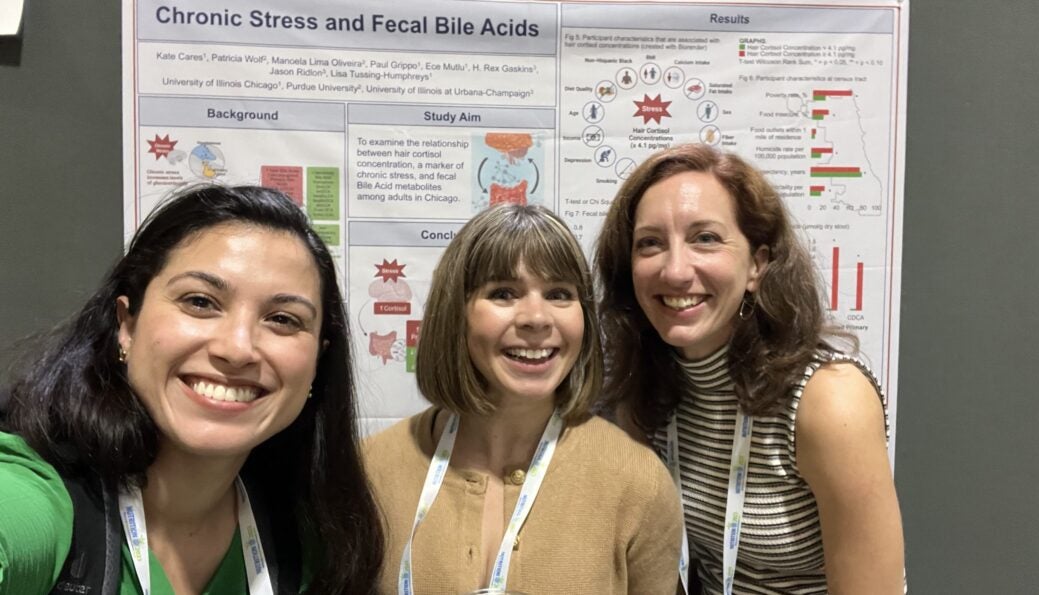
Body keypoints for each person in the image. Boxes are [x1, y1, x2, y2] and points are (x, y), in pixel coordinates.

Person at [0, 185, 383, 594]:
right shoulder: (38, 488)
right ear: (126, 326)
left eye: (283, 320)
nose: (237, 349)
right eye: (200, 302)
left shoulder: (308, 541)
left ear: (317, 363)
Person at [595, 144, 905, 594]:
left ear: (757, 265)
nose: (676, 270)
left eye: (705, 238)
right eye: (650, 243)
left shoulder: (828, 399)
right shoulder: (644, 389)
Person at [363, 204, 682, 595]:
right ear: (455, 313)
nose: (536, 317)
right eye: (503, 293)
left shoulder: (637, 481)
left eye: (559, 294)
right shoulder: (371, 470)